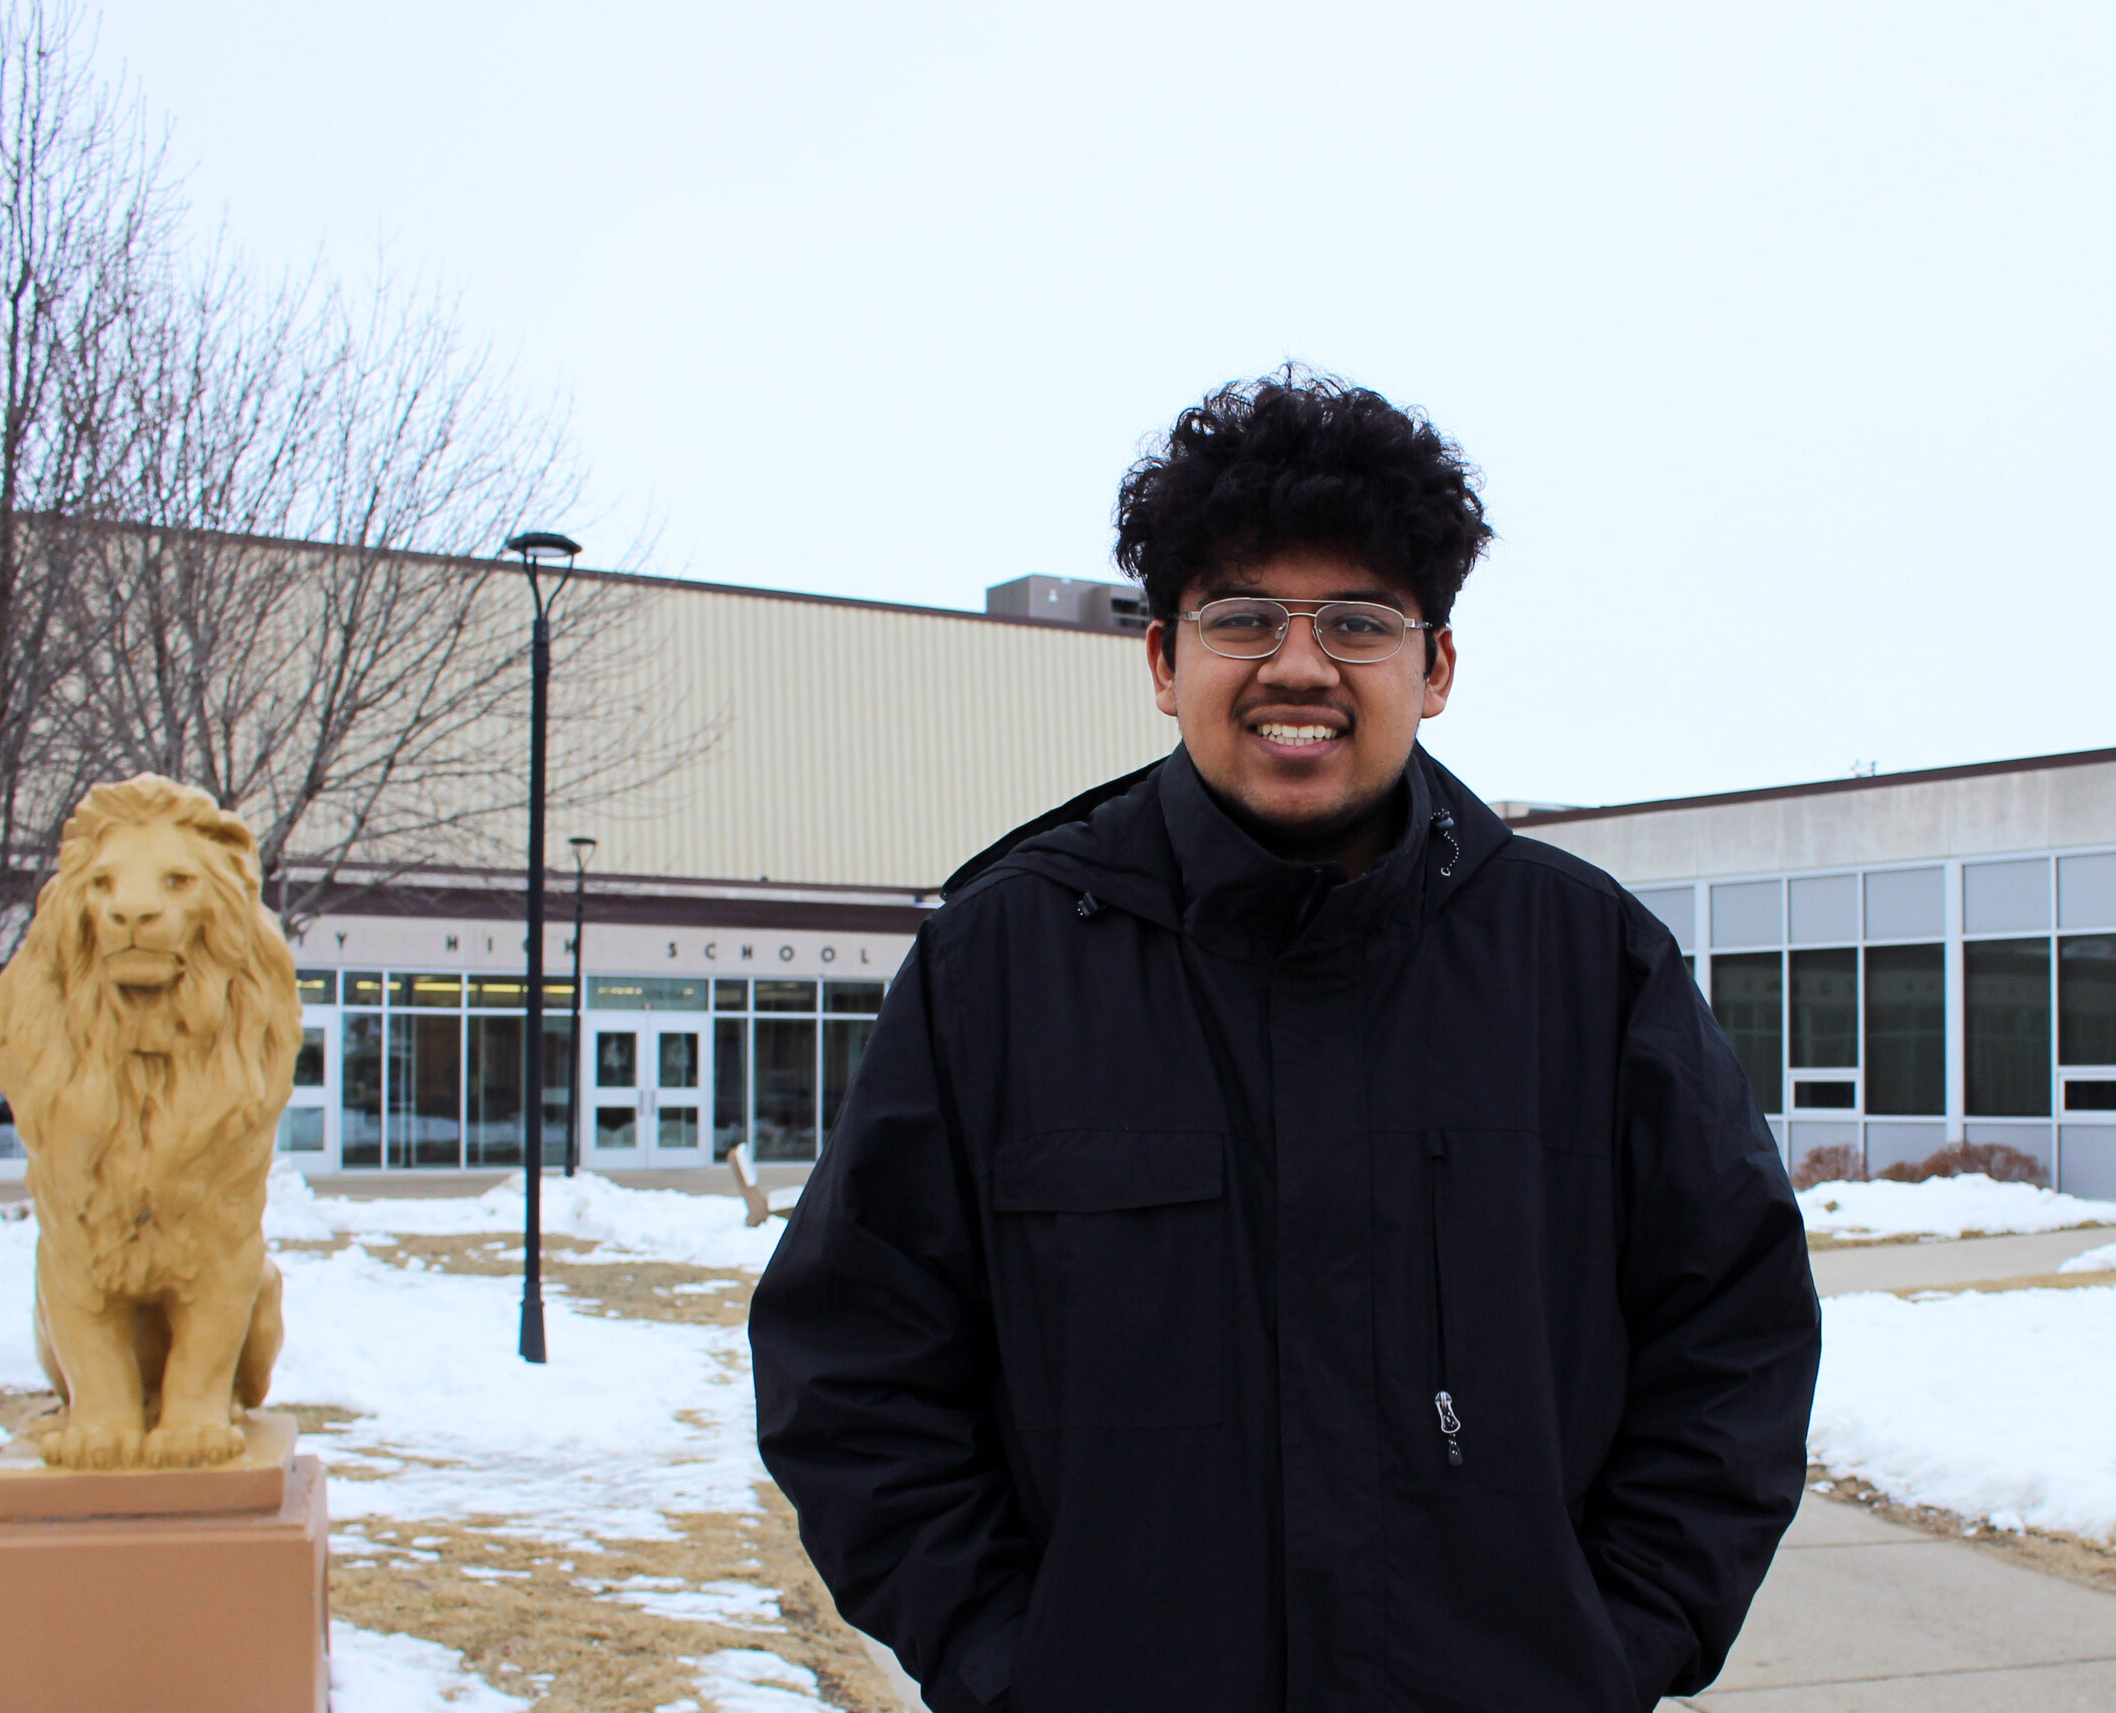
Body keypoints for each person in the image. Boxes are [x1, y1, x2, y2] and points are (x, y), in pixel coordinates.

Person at [749, 371, 1820, 1712]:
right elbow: (853, 1364)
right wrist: (1017, 1661)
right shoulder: (1003, 967)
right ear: (1162, 658)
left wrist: (1605, 1650)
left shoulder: (1588, 967)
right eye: (1243, 615)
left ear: (1433, 667)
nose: (1299, 664)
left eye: (1358, 620)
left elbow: (1735, 1336)